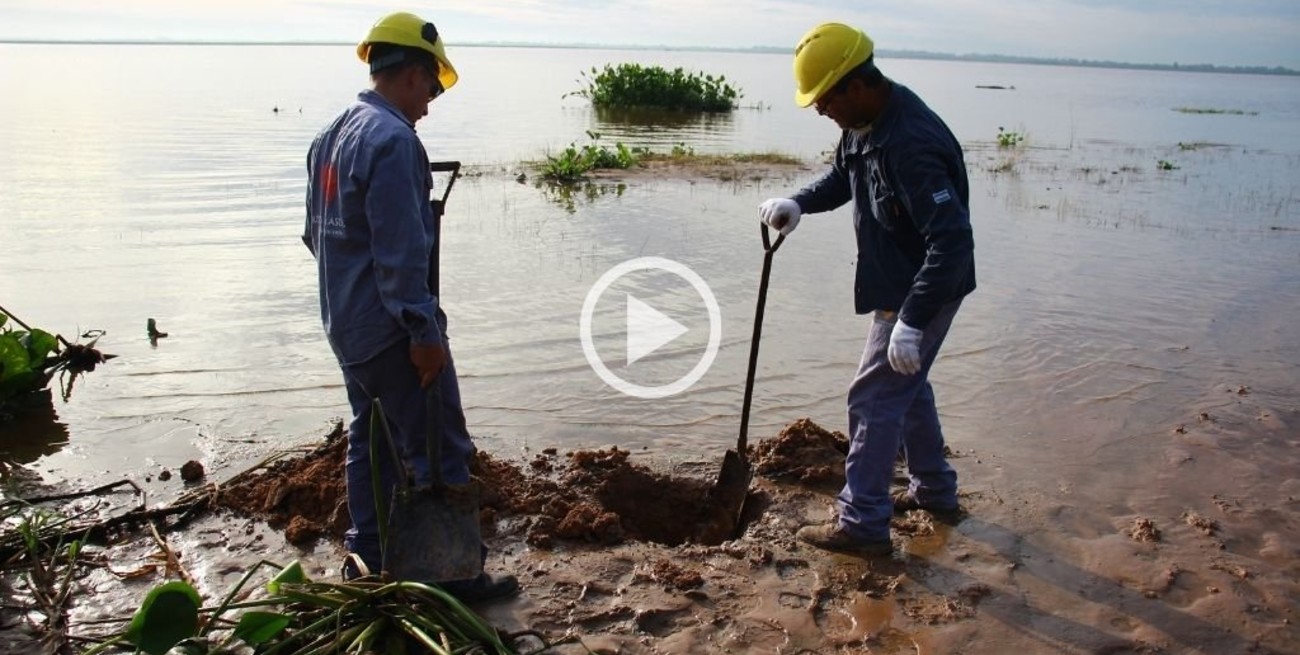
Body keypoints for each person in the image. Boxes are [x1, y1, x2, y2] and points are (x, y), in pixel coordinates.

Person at [303, 11, 518, 601]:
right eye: (431, 86)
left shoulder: (329, 137)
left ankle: (368, 556)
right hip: (392, 330)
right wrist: (423, 332)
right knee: (439, 445)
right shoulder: (394, 141)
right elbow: (400, 255)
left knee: (368, 439)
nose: (431, 101)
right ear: (410, 74)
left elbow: (314, 237)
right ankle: (453, 579)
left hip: (343, 324)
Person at [758, 22, 976, 556]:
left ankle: (862, 524)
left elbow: (952, 243)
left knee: (873, 399)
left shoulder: (910, 143)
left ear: (856, 85)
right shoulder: (865, 122)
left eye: (824, 99)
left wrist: (911, 320)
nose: (818, 110)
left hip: (923, 286)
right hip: (901, 281)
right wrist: (800, 203)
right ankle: (935, 494)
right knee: (906, 386)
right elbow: (843, 177)